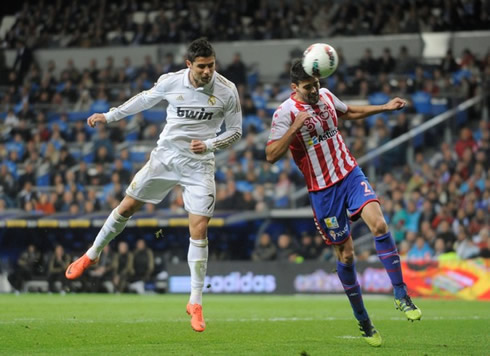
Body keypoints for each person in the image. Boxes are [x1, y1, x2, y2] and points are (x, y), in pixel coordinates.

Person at [65, 38, 242, 333]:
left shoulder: (227, 90)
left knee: (198, 229)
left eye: (211, 65)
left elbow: (236, 131)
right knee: (127, 206)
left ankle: (195, 302)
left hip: (199, 165)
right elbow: (144, 99)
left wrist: (210, 143)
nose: (208, 71)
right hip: (166, 159)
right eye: (202, 66)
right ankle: (91, 254)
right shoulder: (172, 82)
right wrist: (109, 116)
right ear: (189, 65)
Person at [265, 59, 422, 347]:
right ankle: (363, 320)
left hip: (350, 173)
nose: (314, 90)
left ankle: (401, 294)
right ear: (294, 88)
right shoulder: (284, 114)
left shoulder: (325, 97)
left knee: (379, 223)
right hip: (323, 192)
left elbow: (348, 112)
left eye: (316, 84)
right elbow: (271, 155)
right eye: (308, 87)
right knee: (347, 256)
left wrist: (384, 108)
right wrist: (294, 128)